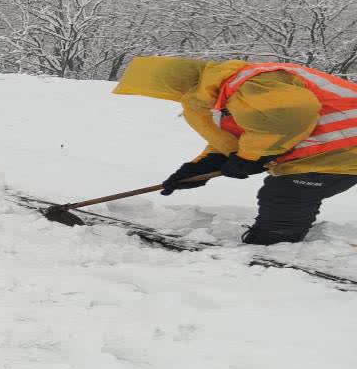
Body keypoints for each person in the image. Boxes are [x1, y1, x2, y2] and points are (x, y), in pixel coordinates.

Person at [114, 56, 357, 244]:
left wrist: (251, 157)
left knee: (287, 192)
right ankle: (278, 234)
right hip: (329, 152)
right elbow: (238, 136)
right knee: (289, 189)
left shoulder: (253, 83)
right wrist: (201, 166)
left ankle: (278, 241)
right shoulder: (221, 95)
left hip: (344, 151)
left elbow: (288, 118)